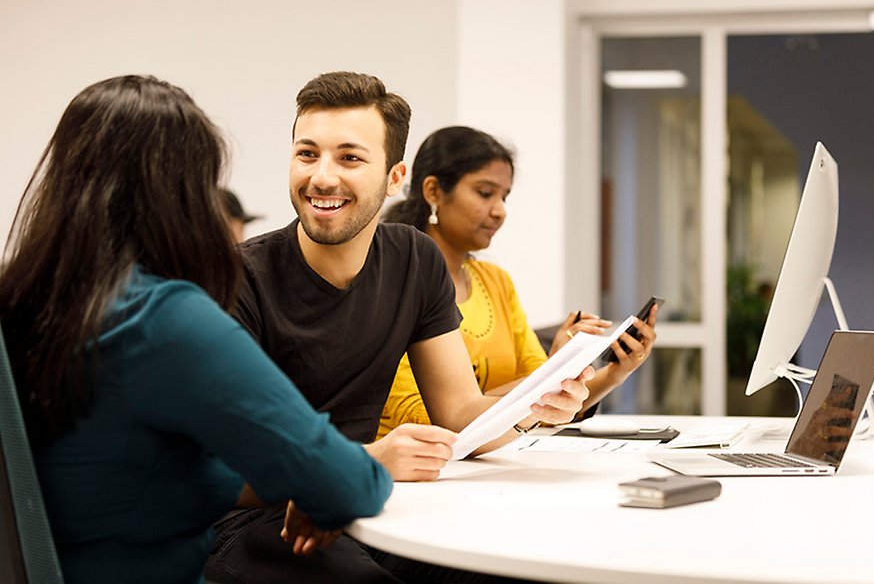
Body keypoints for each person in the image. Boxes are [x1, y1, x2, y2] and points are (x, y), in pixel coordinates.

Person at [0, 75, 393, 584]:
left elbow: (120, 469)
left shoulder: (25, 298)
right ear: (181, 193)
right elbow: (351, 486)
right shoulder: (165, 320)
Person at [205, 71, 591, 584]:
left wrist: (533, 407)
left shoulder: (415, 260)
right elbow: (222, 469)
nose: (322, 177)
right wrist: (370, 461)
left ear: (393, 178)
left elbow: (459, 414)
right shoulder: (238, 277)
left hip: (363, 502)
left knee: (519, 568)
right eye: (307, 153)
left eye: (349, 157)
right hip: (252, 519)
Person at [378, 126, 657, 437]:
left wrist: (612, 373)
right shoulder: (394, 281)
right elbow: (421, 419)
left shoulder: (496, 282)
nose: (500, 211)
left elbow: (551, 408)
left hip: (493, 466)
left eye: (504, 196)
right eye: (485, 193)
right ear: (433, 191)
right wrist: (547, 376)